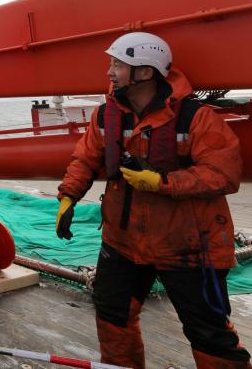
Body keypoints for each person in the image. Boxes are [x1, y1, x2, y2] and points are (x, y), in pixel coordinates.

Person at [56, 32, 250, 368]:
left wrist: (162, 182)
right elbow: (85, 159)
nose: (109, 72)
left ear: (145, 72)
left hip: (189, 245)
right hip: (123, 241)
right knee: (113, 315)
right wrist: (68, 196)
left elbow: (224, 173)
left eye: (117, 65)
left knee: (209, 331)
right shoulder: (105, 116)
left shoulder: (196, 118)